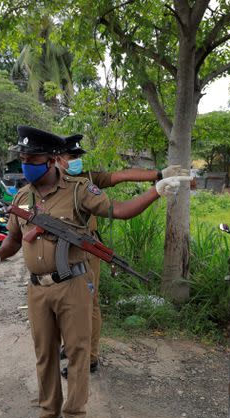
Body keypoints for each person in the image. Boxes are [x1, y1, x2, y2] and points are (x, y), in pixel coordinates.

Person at [0, 126, 186, 418]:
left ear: (50, 160)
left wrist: (155, 191)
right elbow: (14, 240)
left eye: (31, 158)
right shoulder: (21, 197)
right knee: (44, 355)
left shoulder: (78, 190)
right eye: (21, 159)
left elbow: (119, 210)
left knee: (77, 353)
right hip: (37, 290)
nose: (25, 164)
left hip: (72, 284)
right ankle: (49, 415)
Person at [56, 134, 189, 378]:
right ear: (57, 159)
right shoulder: (49, 184)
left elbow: (121, 175)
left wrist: (159, 174)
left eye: (77, 156)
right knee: (65, 303)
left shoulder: (85, 179)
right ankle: (71, 345)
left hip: (85, 247)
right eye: (71, 156)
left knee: (88, 303)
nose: (76, 161)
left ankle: (90, 358)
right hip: (58, 250)